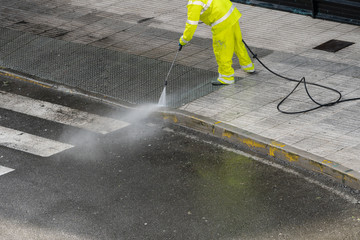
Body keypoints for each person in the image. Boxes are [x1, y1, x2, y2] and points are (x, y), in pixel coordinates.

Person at [179, 0, 255, 85]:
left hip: (221, 22)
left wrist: (184, 40)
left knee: (222, 50)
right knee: (237, 43)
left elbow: (191, 25)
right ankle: (248, 66)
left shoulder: (194, 2)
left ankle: (226, 77)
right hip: (231, 13)